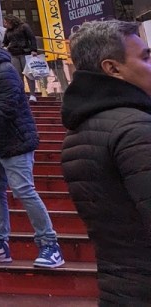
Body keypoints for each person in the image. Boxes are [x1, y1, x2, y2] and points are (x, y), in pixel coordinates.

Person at [0, 27, 63, 269]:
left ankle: (50, 245)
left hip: (14, 141)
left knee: (23, 190)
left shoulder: (4, 71)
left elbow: (6, 107)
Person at [61, 21, 151, 303]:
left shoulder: (81, 130)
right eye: (145, 57)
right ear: (112, 68)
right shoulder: (135, 128)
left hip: (119, 286)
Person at [3, 15, 39, 100]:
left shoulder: (24, 26)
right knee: (18, 75)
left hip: (25, 52)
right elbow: (5, 42)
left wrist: (34, 50)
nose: (4, 24)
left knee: (29, 74)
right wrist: (5, 47)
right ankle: (21, 94)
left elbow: (32, 38)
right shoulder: (8, 31)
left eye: (5, 22)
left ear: (10, 21)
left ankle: (32, 94)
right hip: (14, 54)